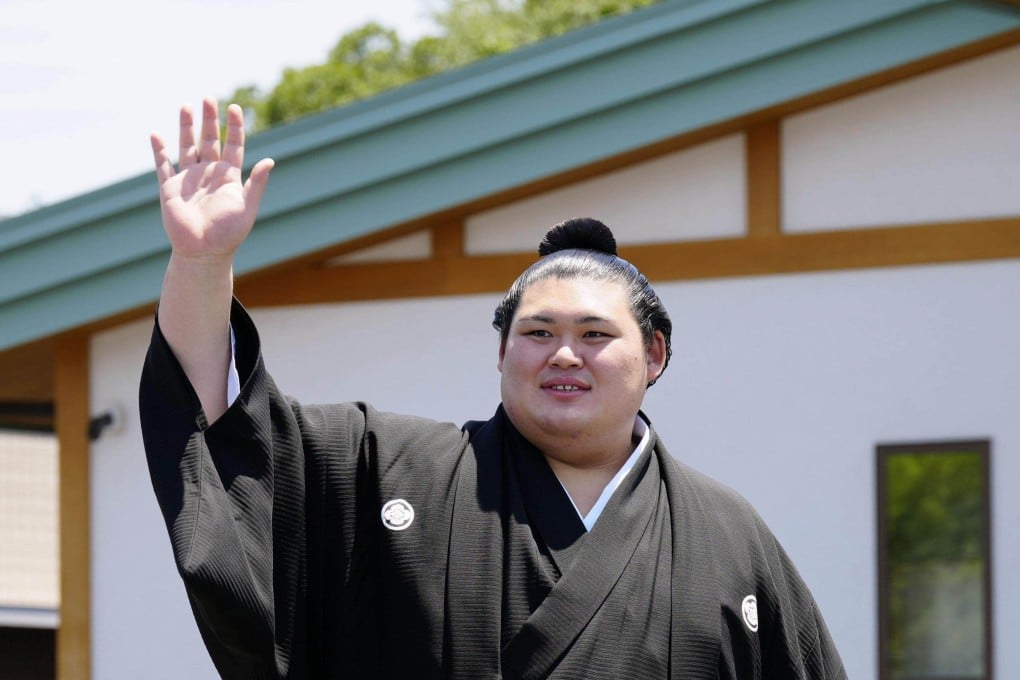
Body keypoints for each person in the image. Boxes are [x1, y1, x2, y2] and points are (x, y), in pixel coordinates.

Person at [141, 98, 846, 680]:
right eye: (538, 333)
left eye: (595, 335)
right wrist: (201, 263)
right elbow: (229, 433)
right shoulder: (393, 469)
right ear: (502, 351)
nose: (564, 354)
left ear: (654, 354)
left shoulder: (727, 537)